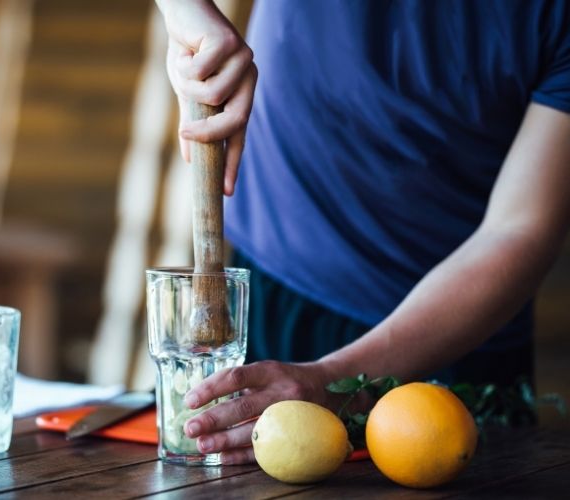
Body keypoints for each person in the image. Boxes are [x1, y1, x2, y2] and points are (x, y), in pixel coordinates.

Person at [155, 0, 570, 464]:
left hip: (456, 337)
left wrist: (333, 377)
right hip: (281, 293)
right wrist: (184, 14)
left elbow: (520, 229)